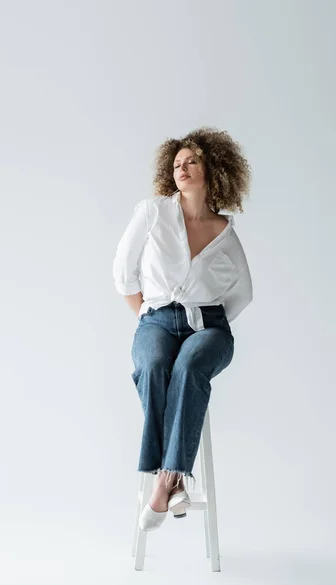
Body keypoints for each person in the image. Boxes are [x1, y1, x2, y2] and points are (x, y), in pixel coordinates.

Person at [112, 127, 253, 531]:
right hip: (155, 319)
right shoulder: (153, 212)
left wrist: (209, 319)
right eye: (177, 163)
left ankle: (165, 481)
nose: (183, 168)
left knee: (190, 365)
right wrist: (147, 314)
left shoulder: (225, 232)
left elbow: (242, 293)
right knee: (154, 365)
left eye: (192, 160)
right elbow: (124, 272)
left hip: (209, 329)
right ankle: (173, 484)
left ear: (212, 168)